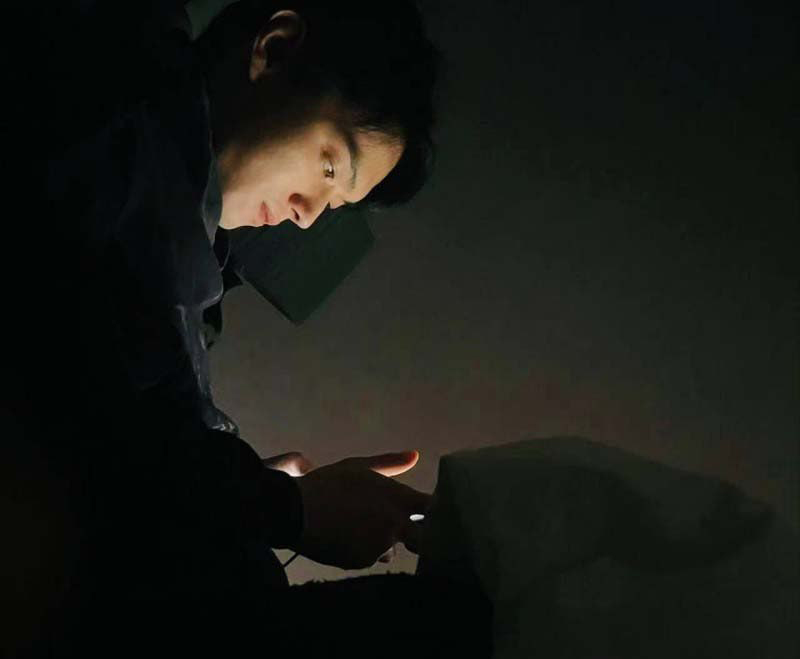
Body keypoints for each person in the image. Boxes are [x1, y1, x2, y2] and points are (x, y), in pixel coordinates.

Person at [3, 1, 493, 656]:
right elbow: (83, 434)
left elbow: (134, 446)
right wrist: (288, 508)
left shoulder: (180, 243)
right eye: (329, 167)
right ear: (275, 48)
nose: (308, 215)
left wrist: (256, 487)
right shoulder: (96, 130)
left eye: (335, 205)